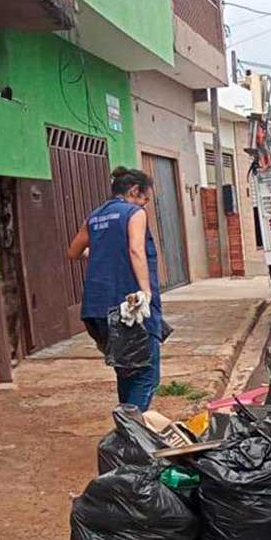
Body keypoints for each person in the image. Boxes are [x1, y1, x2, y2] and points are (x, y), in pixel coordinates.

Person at [66, 167, 164, 412]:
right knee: (146, 374)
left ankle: (127, 430)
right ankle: (128, 434)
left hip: (96, 309)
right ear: (134, 191)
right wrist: (146, 294)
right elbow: (136, 251)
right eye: (146, 199)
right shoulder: (134, 213)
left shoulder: (95, 216)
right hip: (127, 308)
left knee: (126, 370)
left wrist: (100, 253)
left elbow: (73, 252)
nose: (146, 205)